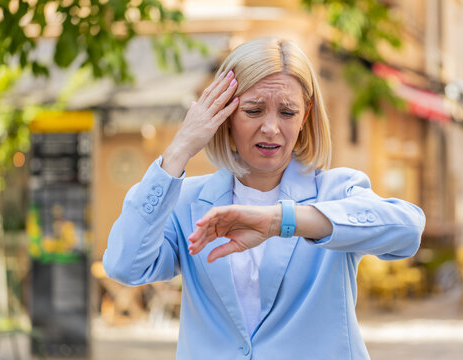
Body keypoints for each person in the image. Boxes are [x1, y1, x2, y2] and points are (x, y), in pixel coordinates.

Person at [103, 38, 425, 359]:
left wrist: (281, 221)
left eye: (287, 112)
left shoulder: (336, 191)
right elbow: (124, 265)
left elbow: (408, 230)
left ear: (305, 116)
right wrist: (180, 148)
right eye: (254, 110)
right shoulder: (187, 201)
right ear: (226, 114)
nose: (271, 128)